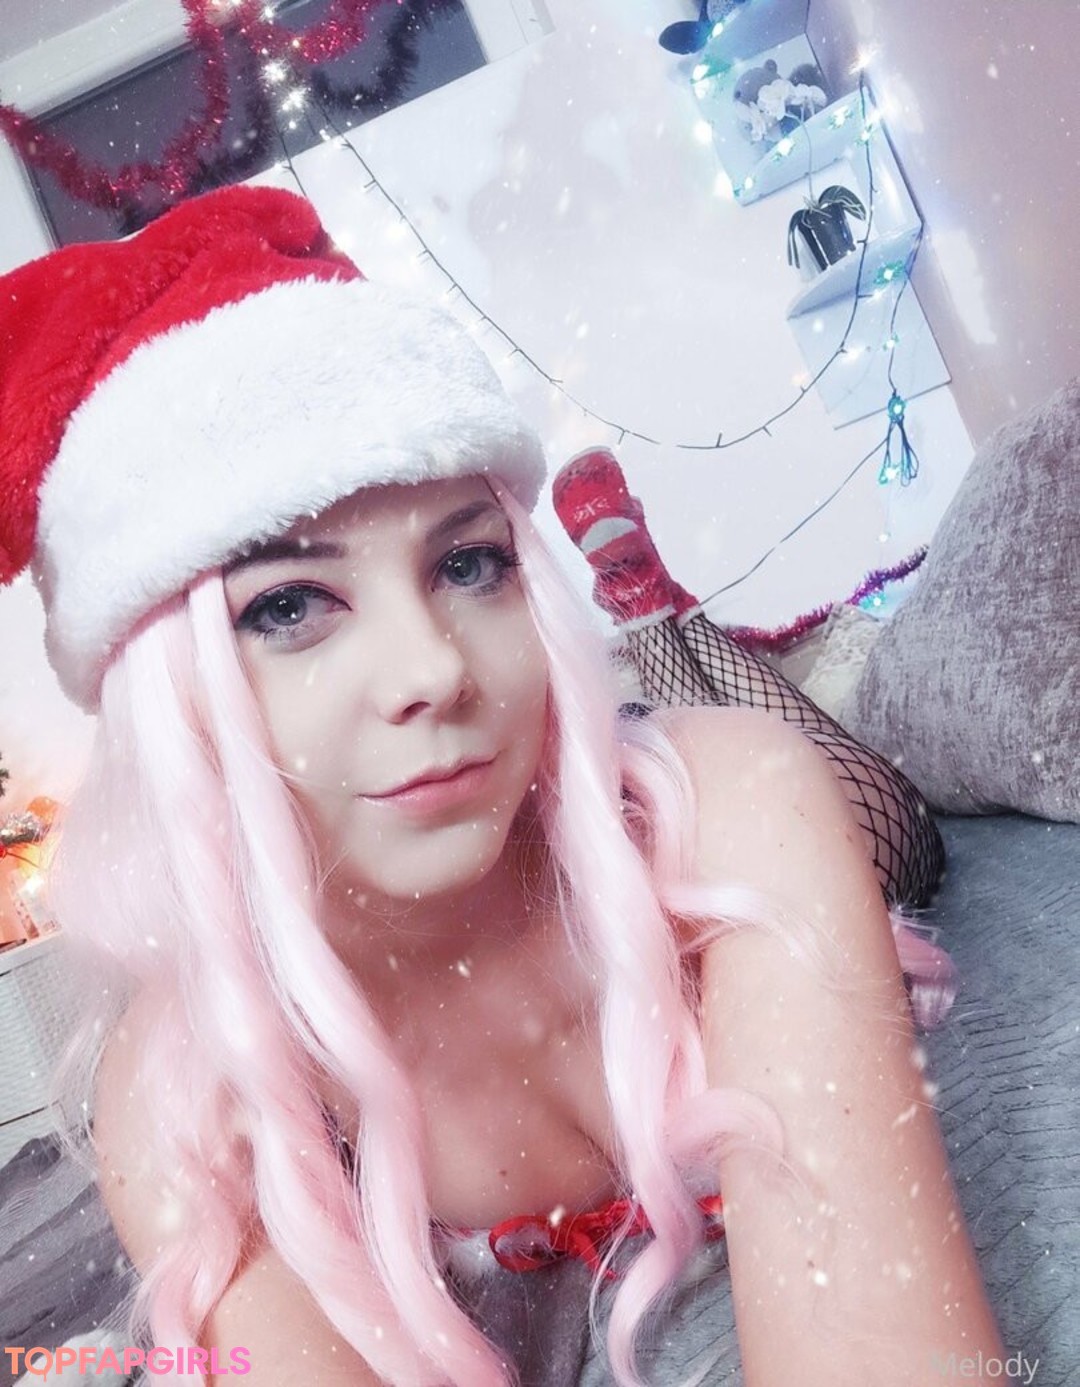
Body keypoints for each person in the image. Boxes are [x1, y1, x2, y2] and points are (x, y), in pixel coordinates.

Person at [0, 185, 1005, 1387]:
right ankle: (658, 612)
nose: (434, 669)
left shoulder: (733, 808)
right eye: (289, 606)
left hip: (741, 791)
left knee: (855, 797)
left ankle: (660, 614)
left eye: (470, 563)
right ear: (173, 707)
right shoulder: (184, 1093)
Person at [551, 448, 946, 911]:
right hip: (852, 855)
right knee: (878, 827)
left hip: (832, 842)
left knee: (731, 786)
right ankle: (650, 596)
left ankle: (643, 600)